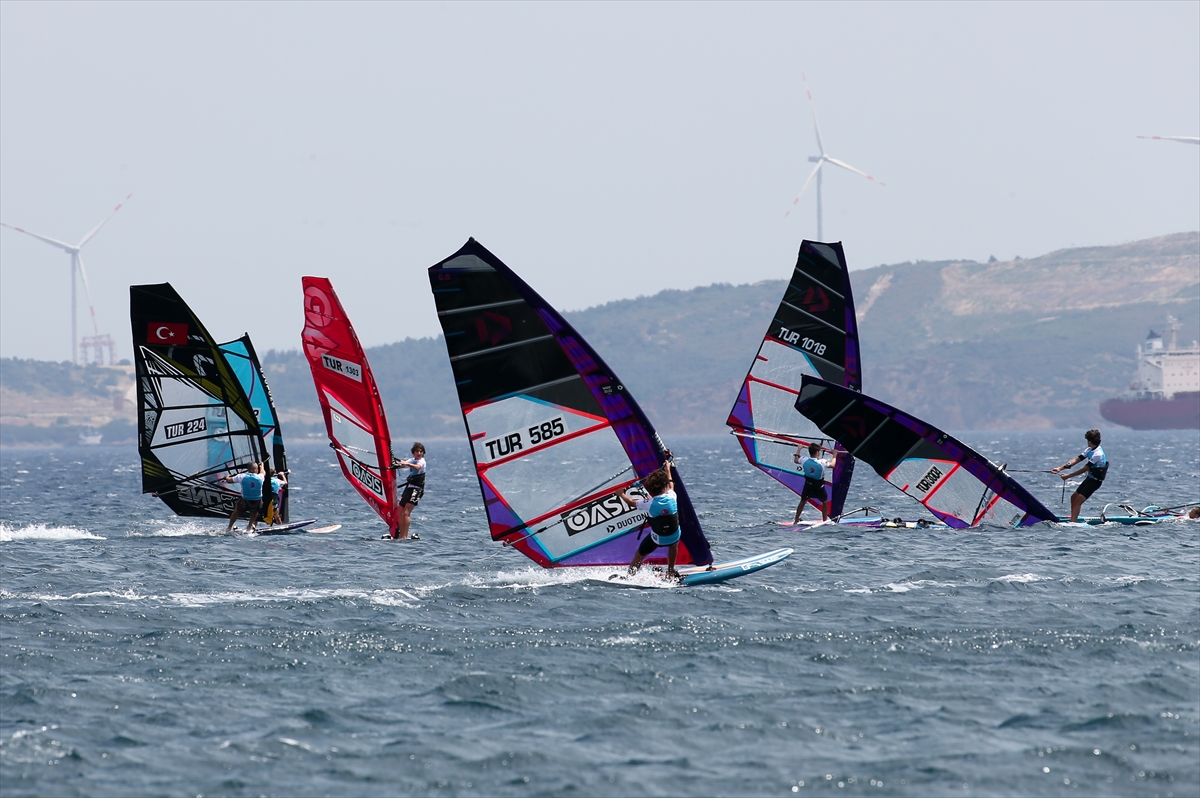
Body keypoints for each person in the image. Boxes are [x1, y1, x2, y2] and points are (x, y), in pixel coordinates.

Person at [617, 453, 681, 581]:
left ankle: (630, 576)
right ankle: (670, 572)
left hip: (658, 539)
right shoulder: (672, 496)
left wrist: (621, 494)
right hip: (674, 536)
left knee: (639, 554)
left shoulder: (648, 503)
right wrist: (668, 469)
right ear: (665, 486)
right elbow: (671, 484)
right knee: (673, 544)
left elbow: (631, 503)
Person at [1052, 429, 1108, 523]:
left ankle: (1073, 522)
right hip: (1089, 479)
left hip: (1095, 482)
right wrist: (1060, 468)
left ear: (1090, 441)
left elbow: (1084, 469)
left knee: (1078, 502)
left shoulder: (1098, 454)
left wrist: (1068, 476)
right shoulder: (1089, 449)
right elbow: (1077, 460)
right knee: (1073, 497)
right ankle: (1073, 519)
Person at [389, 442, 426, 540]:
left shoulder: (421, 461)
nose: (418, 453)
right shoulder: (412, 460)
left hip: (417, 489)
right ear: (413, 452)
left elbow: (417, 467)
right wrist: (394, 464)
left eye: (420, 451)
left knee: (406, 512)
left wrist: (406, 463)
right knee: (400, 510)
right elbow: (401, 465)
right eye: (417, 451)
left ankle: (404, 536)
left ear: (423, 453)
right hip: (409, 488)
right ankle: (400, 535)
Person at [793, 442, 837, 523]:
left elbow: (796, 460)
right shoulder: (822, 462)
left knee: (803, 501)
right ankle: (824, 521)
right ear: (817, 452)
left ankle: (795, 521)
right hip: (818, 487)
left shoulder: (804, 459)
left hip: (808, 485)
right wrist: (834, 455)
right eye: (819, 451)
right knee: (824, 502)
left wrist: (799, 449)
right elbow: (833, 465)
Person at [223, 461, 265, 533]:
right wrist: (262, 466)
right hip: (257, 501)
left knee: (236, 511)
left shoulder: (241, 476)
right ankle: (250, 526)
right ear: (255, 469)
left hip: (245, 501)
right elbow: (263, 472)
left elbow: (229, 481)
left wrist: (226, 477)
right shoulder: (260, 477)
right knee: (255, 511)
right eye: (257, 468)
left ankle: (229, 528)